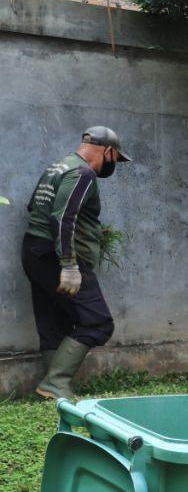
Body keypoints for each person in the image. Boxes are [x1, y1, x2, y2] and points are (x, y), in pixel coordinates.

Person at [21, 126, 130, 399]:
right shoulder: (84, 173)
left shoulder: (57, 168)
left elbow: (35, 208)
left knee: (53, 321)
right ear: (107, 151)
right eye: (115, 158)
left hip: (34, 251)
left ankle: (50, 390)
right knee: (98, 323)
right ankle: (55, 383)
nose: (113, 164)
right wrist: (69, 265)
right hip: (59, 257)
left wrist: (91, 230)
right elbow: (62, 219)